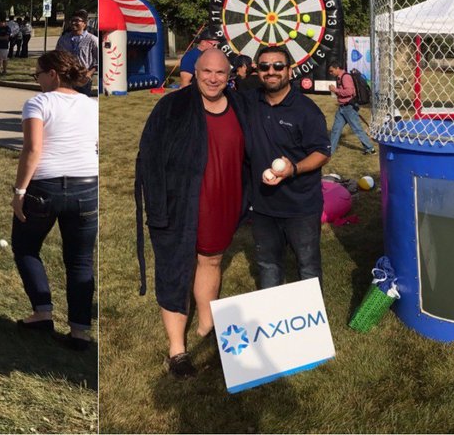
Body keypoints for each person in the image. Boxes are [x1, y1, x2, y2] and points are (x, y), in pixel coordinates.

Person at [135, 48, 246, 378]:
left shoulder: (239, 106)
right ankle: (177, 350)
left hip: (223, 201)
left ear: (230, 76)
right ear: (194, 72)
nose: (213, 79)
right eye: (206, 72)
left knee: (211, 260)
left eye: (220, 73)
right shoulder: (173, 106)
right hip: (180, 203)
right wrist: (157, 207)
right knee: (175, 267)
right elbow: (150, 158)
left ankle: (206, 326)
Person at [11, 49, 98, 350]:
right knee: (80, 260)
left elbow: (32, 149)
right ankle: (80, 331)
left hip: (44, 187)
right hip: (87, 186)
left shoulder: (38, 103)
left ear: (53, 74)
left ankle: (42, 311)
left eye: (38, 74)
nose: (37, 81)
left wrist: (19, 191)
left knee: (25, 246)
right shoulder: (91, 104)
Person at [244, 44, 330, 289]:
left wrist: (294, 169)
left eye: (278, 66)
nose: (271, 71)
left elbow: (322, 153)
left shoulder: (306, 110)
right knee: (267, 263)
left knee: (308, 265)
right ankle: (271, 320)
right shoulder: (249, 102)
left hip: (301, 206)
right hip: (262, 205)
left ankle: (311, 322)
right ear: (257, 71)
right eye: (264, 66)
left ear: (290, 71)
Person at [326, 61, 376, 156]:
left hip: (349, 108)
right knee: (336, 129)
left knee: (357, 129)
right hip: (342, 108)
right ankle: (330, 151)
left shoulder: (346, 77)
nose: (330, 73)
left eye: (331, 71)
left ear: (337, 68)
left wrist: (335, 90)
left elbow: (349, 91)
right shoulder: (340, 78)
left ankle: (370, 148)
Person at [56, 12, 97, 94]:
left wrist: (88, 74)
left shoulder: (92, 39)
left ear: (84, 24)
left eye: (77, 20)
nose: (73, 23)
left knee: (82, 104)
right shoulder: (63, 39)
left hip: (83, 79)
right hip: (67, 78)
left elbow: (99, 60)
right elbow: (57, 56)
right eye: (72, 20)